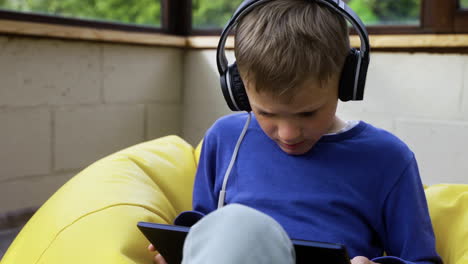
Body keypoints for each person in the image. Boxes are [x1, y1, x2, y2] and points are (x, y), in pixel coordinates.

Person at [149, 0, 442, 263]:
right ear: (238, 91)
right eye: (265, 112)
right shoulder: (225, 139)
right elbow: (206, 231)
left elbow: (420, 259)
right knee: (233, 226)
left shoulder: (387, 158)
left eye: (307, 113)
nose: (288, 134)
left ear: (346, 82)